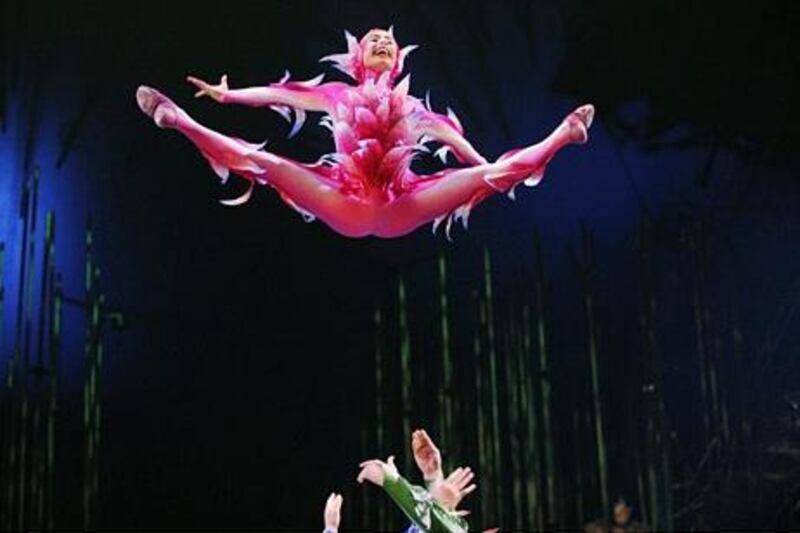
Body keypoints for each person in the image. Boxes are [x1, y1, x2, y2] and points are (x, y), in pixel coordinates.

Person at [136, 27, 593, 238]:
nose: (380, 42)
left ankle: (562, 136)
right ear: (358, 58)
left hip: (400, 205)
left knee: (494, 170)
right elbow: (283, 95)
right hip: (346, 201)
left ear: (397, 60)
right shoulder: (336, 93)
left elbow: (467, 153)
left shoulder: (413, 106)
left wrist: (486, 175)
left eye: (388, 42)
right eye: (373, 39)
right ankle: (179, 119)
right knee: (267, 163)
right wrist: (229, 97)